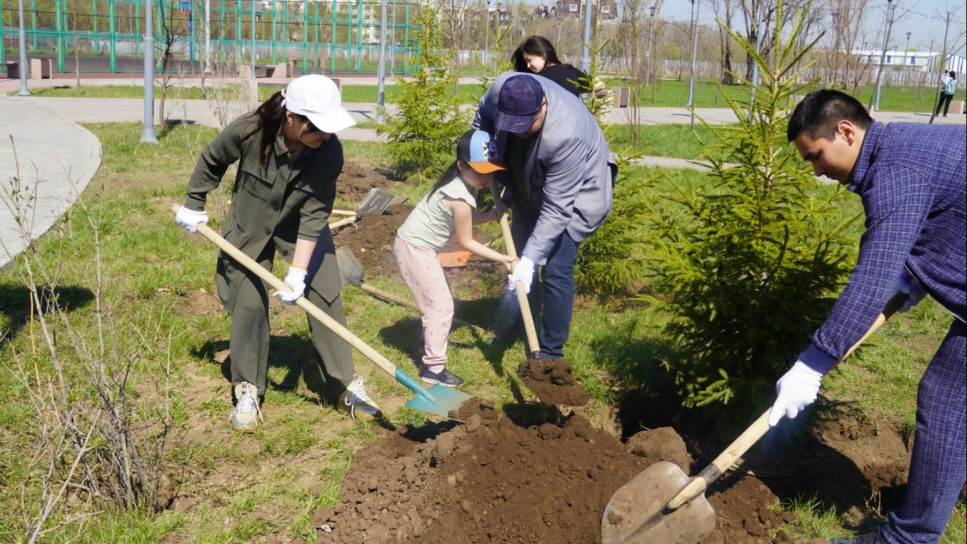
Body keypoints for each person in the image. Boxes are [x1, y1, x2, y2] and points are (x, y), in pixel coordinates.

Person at [772, 89, 966, 544]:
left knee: (946, 399)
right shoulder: (904, 149)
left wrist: (813, 364)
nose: (817, 171)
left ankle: (908, 538)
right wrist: (916, 274)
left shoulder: (896, 171)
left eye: (816, 156)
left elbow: (872, 276)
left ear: (846, 131)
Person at [175, 74, 381, 431]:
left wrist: (298, 271)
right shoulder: (252, 130)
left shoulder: (328, 151)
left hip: (300, 229)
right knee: (249, 304)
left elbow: (314, 214)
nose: (325, 135)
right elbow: (213, 157)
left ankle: (343, 385)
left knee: (325, 295)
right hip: (250, 226)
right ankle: (248, 387)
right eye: (317, 126)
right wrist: (194, 202)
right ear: (291, 117)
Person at [473, 72, 616, 360]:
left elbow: (557, 209)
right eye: (512, 126)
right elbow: (481, 122)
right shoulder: (501, 90)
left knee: (555, 269)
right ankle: (519, 327)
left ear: (542, 106)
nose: (519, 132)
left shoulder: (567, 133)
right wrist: (483, 158)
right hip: (529, 182)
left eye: (526, 125)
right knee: (518, 256)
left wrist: (531, 260)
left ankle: (551, 351)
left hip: (578, 196)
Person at [393, 129, 518, 386]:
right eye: (480, 171)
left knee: (436, 304)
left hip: (414, 245)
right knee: (441, 306)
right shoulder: (460, 197)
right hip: (416, 249)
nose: (487, 177)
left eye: (491, 171)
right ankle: (433, 368)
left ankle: (430, 343)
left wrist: (490, 215)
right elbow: (466, 241)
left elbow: (462, 221)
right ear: (461, 165)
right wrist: (503, 259)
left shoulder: (458, 186)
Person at [511, 36, 589, 97]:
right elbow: (593, 84)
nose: (528, 66)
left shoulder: (539, 79)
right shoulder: (571, 71)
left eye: (529, 60)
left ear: (543, 55)